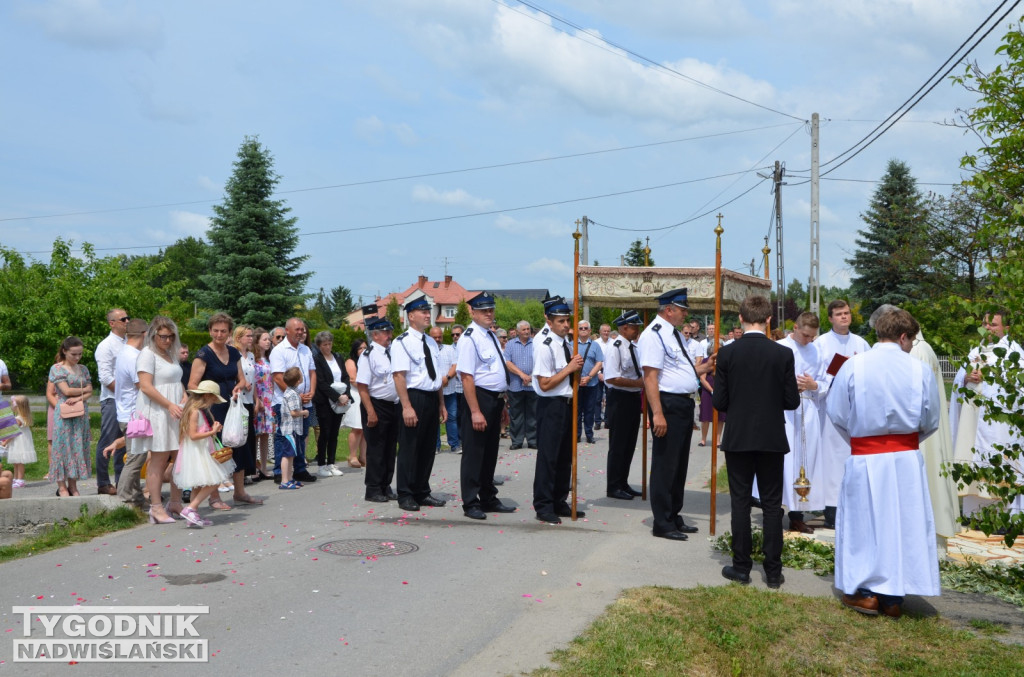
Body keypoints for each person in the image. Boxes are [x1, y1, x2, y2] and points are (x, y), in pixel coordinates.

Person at [828, 309, 941, 618]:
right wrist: (905, 441)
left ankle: (866, 592)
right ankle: (892, 596)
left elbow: (836, 412)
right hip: (905, 458)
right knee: (901, 523)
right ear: (903, 337)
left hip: (866, 455)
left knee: (865, 523)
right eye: (911, 340)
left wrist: (859, 438)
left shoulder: (854, 366)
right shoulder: (920, 370)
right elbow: (931, 419)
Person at [714, 295, 799, 588]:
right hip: (771, 436)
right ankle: (773, 571)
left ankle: (742, 567)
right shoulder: (783, 354)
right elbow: (791, 401)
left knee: (740, 502)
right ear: (768, 320)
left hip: (738, 436)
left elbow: (720, 401)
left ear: (740, 319)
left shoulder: (726, 354)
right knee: (772, 505)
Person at [638, 288, 715, 541]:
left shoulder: (674, 335)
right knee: (665, 465)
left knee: (679, 465)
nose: (685, 315)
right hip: (667, 405)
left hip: (682, 404)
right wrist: (657, 414)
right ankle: (662, 521)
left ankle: (673, 513)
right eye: (682, 310)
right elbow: (651, 377)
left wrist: (706, 366)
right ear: (669, 310)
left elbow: (683, 370)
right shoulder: (654, 335)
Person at [950, 310, 1024, 519]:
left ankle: (1004, 517)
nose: (988, 328)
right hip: (972, 421)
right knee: (972, 458)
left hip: (998, 426)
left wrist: (989, 377)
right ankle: (976, 516)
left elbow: (1018, 389)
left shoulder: (1014, 353)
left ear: (1006, 328)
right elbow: (958, 383)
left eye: (993, 324)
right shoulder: (976, 350)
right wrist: (965, 379)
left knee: (996, 461)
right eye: (985, 323)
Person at [188, 313, 258, 506]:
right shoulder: (203, 354)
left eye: (223, 331)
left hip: (233, 405)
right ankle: (214, 497)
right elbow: (192, 384)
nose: (219, 334)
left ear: (229, 333)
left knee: (239, 445)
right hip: (213, 408)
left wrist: (239, 386)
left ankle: (240, 492)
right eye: (215, 331)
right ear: (210, 331)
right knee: (217, 449)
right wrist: (208, 395)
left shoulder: (233, 352)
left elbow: (242, 379)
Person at [458, 293, 516, 520]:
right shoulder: (469, 338)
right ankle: (471, 502)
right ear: (473, 312)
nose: (489, 314)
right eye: (484, 311)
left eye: (491, 310)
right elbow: (467, 378)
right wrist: (475, 411)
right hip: (479, 399)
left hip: (494, 399)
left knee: (490, 453)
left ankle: (488, 497)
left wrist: (501, 404)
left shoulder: (490, 336)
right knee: (474, 453)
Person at [817, 300, 871, 529]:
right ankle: (831, 509)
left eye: (847, 313)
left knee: (853, 458)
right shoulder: (821, 344)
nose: (844, 317)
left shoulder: (862, 343)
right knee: (831, 460)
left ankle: (855, 506)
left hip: (855, 410)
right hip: (830, 409)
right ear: (830, 318)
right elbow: (816, 375)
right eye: (839, 314)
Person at [531, 296, 585, 524]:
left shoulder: (565, 344)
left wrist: (576, 370)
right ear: (550, 322)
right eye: (561, 321)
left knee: (565, 456)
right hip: (551, 405)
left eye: (567, 320)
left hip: (568, 403)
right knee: (549, 457)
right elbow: (544, 383)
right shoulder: (545, 346)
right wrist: (569, 368)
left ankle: (559, 500)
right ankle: (544, 505)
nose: (566, 325)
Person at [392, 298, 447, 511]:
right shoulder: (402, 342)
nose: (427, 314)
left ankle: (422, 490)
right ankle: (405, 493)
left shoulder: (431, 342)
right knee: (409, 447)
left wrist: (441, 403)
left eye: (428, 310)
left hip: (432, 396)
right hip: (413, 397)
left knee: (427, 448)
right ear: (410, 315)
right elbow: (399, 376)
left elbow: (438, 376)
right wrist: (406, 406)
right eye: (422, 311)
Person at [776, 312, 827, 533]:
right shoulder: (779, 347)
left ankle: (798, 514)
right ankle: (776, 508)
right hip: (784, 412)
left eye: (812, 336)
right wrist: (788, 388)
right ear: (795, 327)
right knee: (784, 460)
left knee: (805, 462)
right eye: (805, 335)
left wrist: (814, 385)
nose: (809, 340)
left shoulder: (817, 351)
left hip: (808, 410)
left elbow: (827, 382)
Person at [135, 316, 186, 524]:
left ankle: (175, 501)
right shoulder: (147, 354)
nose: (167, 340)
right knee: (158, 460)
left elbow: (176, 380)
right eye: (163, 336)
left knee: (180, 457)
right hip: (158, 411)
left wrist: (184, 397)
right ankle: (155, 507)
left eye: (171, 336)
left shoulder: (171, 354)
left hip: (176, 411)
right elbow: (145, 386)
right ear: (154, 335)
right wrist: (169, 404)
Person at [174, 381, 233, 527]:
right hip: (196, 452)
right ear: (207, 396)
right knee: (214, 481)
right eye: (213, 398)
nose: (214, 402)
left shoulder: (198, 411)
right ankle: (190, 508)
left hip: (200, 449)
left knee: (197, 485)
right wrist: (212, 431)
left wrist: (211, 429)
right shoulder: (194, 411)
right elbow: (193, 435)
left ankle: (193, 517)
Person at [268, 317, 318, 486]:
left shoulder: (305, 349)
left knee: (302, 434)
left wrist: (311, 391)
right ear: (287, 330)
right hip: (286, 402)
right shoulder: (279, 351)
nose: (300, 332)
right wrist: (296, 397)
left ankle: (299, 469)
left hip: (306, 401)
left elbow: (312, 372)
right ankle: (279, 472)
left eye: (302, 329)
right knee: (284, 436)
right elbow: (277, 377)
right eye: (297, 329)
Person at [603, 310, 645, 500]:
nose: (637, 329)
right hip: (620, 398)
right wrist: (637, 383)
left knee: (629, 444)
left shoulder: (633, 347)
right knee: (618, 444)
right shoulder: (616, 347)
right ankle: (613, 486)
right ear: (625, 328)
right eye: (634, 326)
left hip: (633, 398)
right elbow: (612, 378)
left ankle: (623, 482)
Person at [357, 318, 399, 502]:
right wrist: (371, 411)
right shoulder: (369, 355)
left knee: (390, 448)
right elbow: (362, 386)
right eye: (385, 332)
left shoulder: (392, 352)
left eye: (390, 331)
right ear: (375, 335)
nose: (389, 335)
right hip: (376, 404)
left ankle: (385, 484)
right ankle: (373, 488)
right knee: (376, 449)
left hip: (393, 405)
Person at [49, 336, 93, 497]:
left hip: (80, 412)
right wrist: (83, 392)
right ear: (64, 351)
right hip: (64, 414)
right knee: (62, 447)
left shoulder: (83, 369)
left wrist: (79, 397)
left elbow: (91, 391)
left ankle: (73, 486)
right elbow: (65, 391)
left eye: (80, 354)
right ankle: (62, 487)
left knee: (77, 447)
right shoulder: (57, 369)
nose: (77, 357)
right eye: (74, 354)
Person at [94, 308, 128, 495]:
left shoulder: (129, 343)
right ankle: (103, 483)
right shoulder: (105, 346)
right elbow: (105, 377)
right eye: (123, 319)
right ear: (112, 323)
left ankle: (122, 481)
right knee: (108, 439)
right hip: (112, 399)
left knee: (124, 442)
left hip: (127, 400)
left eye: (128, 318)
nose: (127, 321)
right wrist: (124, 393)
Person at [114, 318, 148, 507]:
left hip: (126, 412)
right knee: (137, 457)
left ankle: (136, 497)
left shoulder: (123, 352)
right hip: (134, 414)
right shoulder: (134, 356)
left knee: (135, 454)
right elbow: (142, 385)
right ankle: (124, 498)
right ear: (144, 335)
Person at [311, 331, 349, 478]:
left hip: (340, 400)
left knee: (334, 432)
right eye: (324, 344)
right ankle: (321, 464)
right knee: (325, 433)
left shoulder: (338, 357)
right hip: (325, 401)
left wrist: (345, 395)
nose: (328, 347)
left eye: (329, 344)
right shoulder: (317, 359)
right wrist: (337, 397)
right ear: (319, 346)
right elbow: (321, 383)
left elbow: (345, 376)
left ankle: (331, 463)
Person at [231, 325, 258, 485]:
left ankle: (248, 470)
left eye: (251, 336)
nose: (250, 339)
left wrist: (256, 399)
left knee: (250, 435)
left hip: (249, 399)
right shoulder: (234, 354)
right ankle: (238, 471)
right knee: (240, 435)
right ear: (239, 337)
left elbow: (254, 380)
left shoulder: (251, 356)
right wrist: (242, 383)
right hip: (239, 398)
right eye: (247, 336)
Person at [504, 320, 537, 450]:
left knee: (532, 414)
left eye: (528, 329)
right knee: (516, 415)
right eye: (523, 329)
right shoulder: (510, 344)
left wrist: (531, 375)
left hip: (533, 384)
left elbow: (540, 361)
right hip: (516, 384)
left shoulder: (535, 343)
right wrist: (521, 374)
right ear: (517, 332)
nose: (526, 332)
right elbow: (507, 362)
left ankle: (532, 440)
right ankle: (517, 441)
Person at [251, 328, 276, 480]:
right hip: (258, 398)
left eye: (269, 339)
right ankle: (253, 465)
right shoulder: (252, 359)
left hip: (269, 398)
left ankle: (264, 466)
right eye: (264, 339)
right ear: (257, 341)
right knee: (255, 434)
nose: (268, 342)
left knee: (266, 434)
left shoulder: (270, 359)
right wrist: (256, 400)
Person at [278, 367, 307, 489]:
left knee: (291, 454)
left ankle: (289, 478)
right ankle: (284, 480)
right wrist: (304, 412)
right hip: (290, 429)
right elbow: (294, 412)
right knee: (287, 454)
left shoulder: (291, 392)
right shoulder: (293, 395)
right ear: (298, 380)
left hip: (291, 429)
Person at [575, 321, 604, 445]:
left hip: (591, 383)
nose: (583, 330)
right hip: (576, 384)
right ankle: (576, 435)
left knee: (589, 410)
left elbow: (599, 362)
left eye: (585, 328)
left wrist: (589, 377)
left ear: (590, 330)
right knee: (576, 411)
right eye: (580, 328)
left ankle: (589, 434)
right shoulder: (572, 345)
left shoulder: (595, 345)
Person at [1, 396, 37, 488]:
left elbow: (13, 433)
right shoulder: (23, 417)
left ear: (18, 407)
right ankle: (16, 479)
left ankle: (20, 480)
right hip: (18, 443)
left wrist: (5, 442)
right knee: (16, 462)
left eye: (13, 404)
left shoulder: (18, 419)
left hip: (19, 443)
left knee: (19, 462)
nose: (12, 406)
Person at [343, 339, 366, 467]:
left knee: (365, 429)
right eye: (360, 348)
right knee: (357, 427)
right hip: (356, 395)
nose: (363, 350)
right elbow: (353, 379)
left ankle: (363, 456)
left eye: (365, 348)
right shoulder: (351, 362)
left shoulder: (366, 361)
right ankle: (352, 456)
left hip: (365, 395)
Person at [442, 324, 465, 453]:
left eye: (458, 334)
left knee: (462, 415)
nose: (455, 337)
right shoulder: (449, 349)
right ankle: (456, 441)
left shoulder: (466, 347)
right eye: (453, 335)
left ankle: (462, 439)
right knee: (454, 416)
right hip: (452, 387)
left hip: (463, 386)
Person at [594, 323, 613, 430]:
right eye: (604, 331)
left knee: (609, 398)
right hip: (598, 371)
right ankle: (597, 421)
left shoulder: (613, 343)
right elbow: (594, 360)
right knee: (597, 398)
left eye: (608, 331)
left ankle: (607, 421)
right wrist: (598, 373)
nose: (606, 333)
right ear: (600, 331)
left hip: (609, 372)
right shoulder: (595, 343)